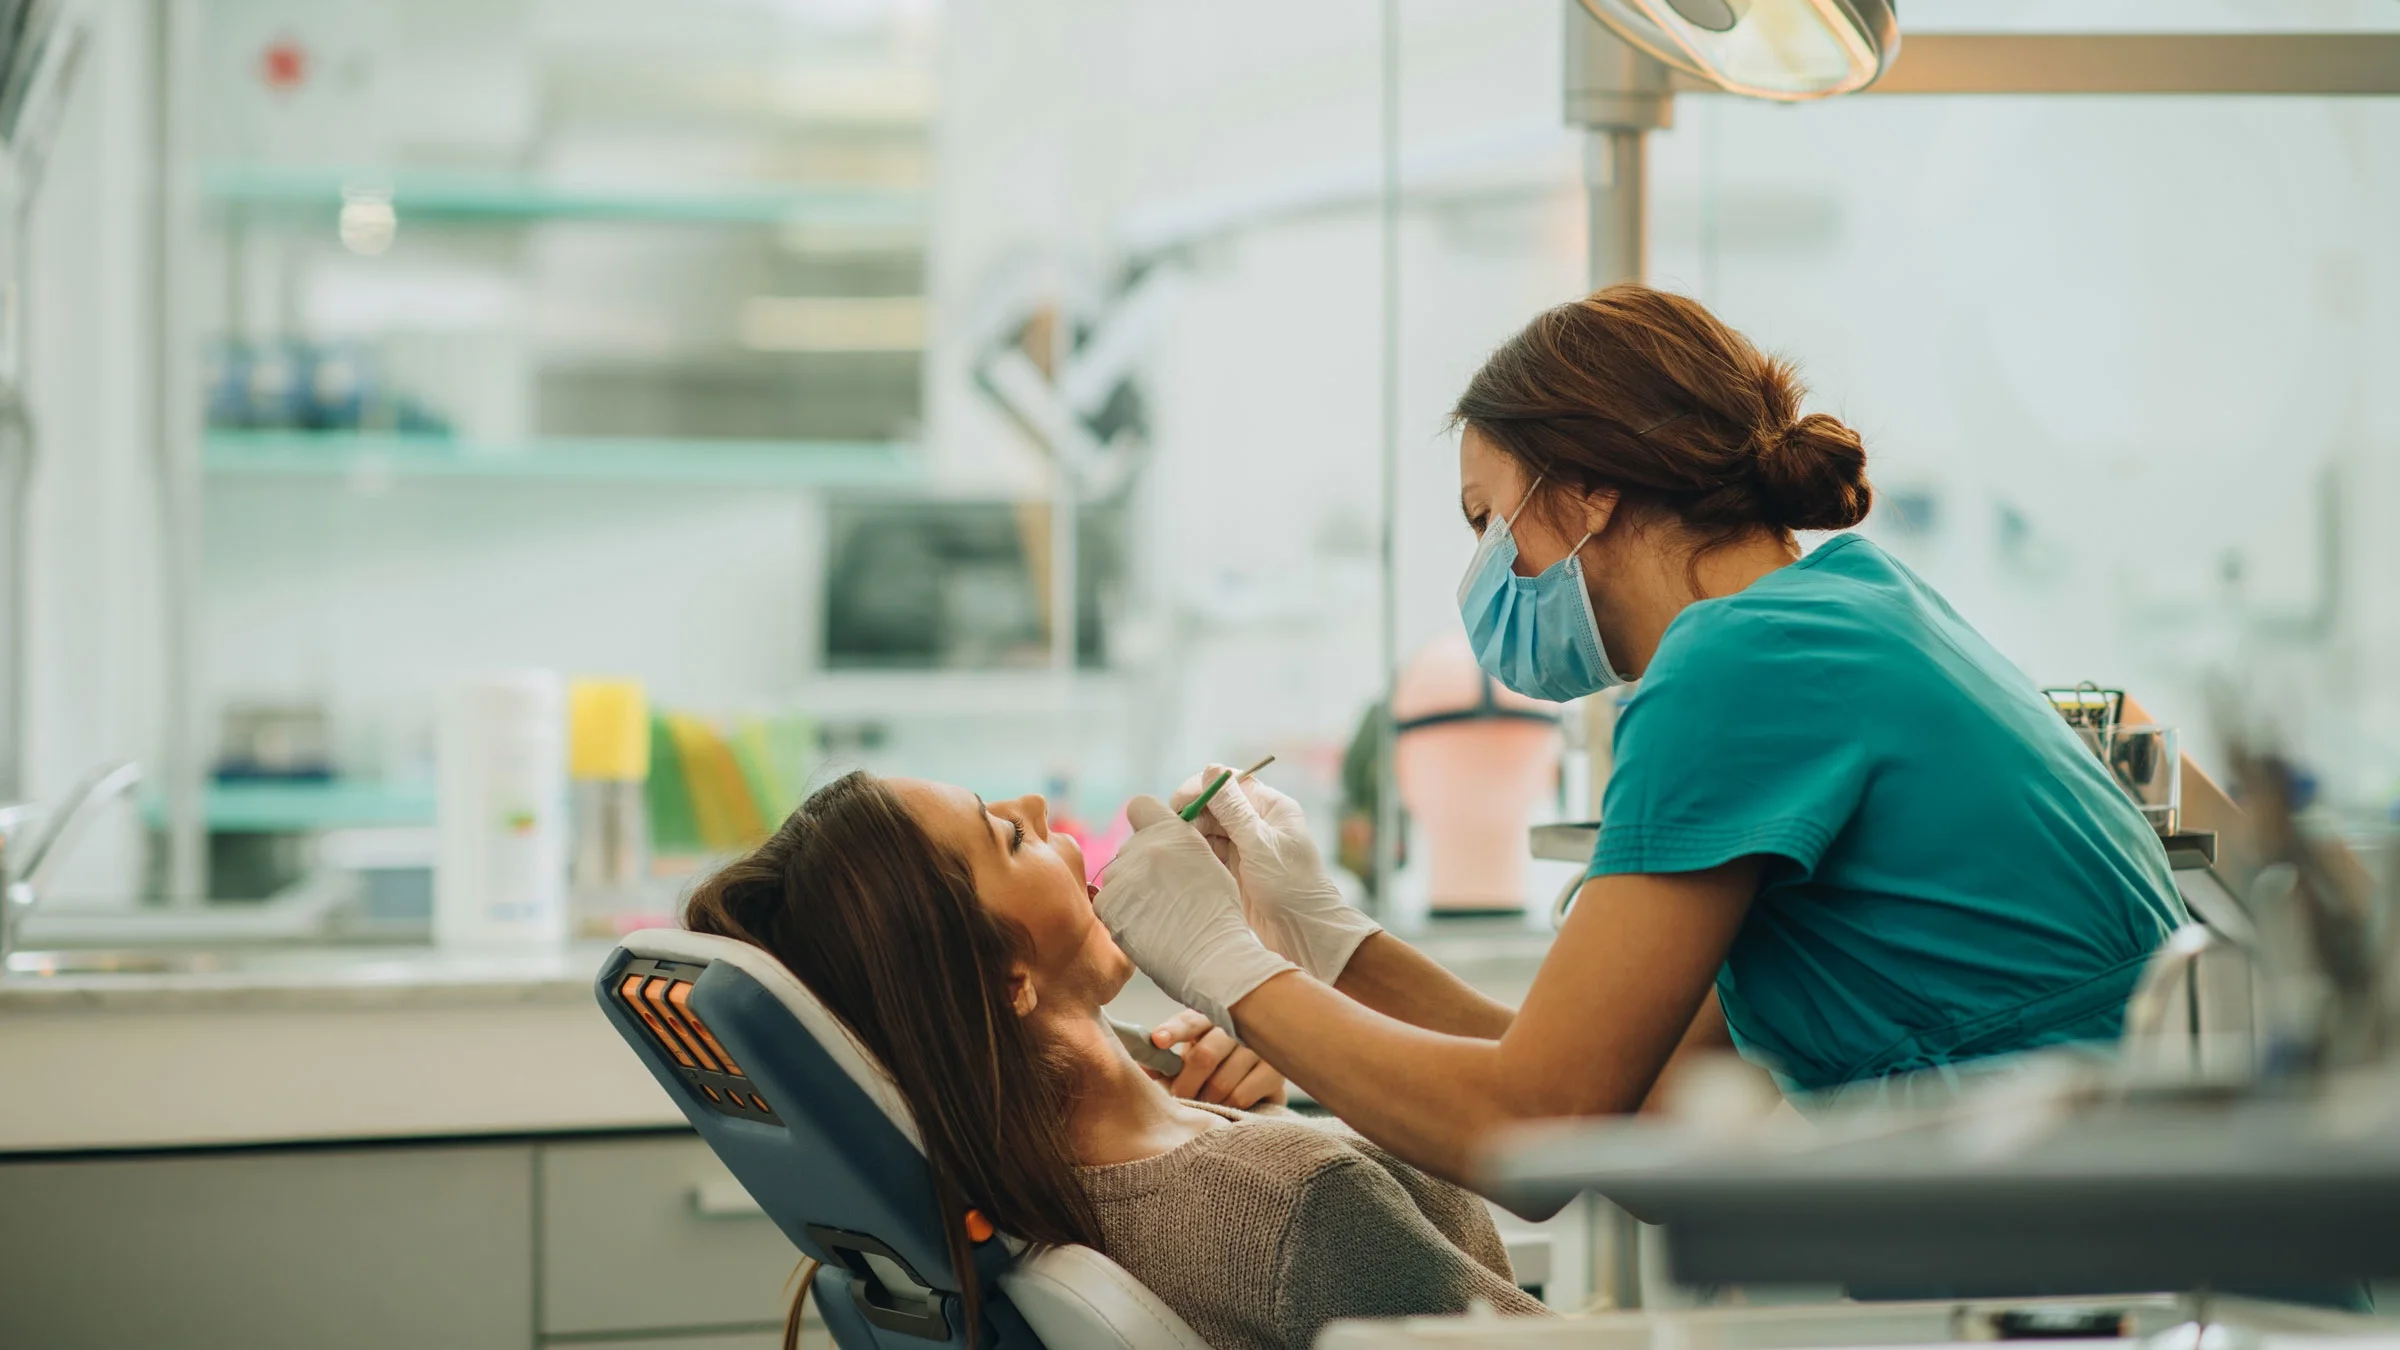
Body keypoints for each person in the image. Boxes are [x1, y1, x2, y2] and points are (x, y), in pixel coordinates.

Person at [1095, 283, 2189, 1189]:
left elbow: (1536, 1126)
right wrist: (1330, 943)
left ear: (1585, 492)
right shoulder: (1849, 608)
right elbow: (1637, 1099)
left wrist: (1227, 967)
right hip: (2139, 1227)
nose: (1482, 574)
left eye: (1487, 521)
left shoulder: (1740, 665)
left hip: (2094, 1260)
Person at [683, 770, 1549, 1350]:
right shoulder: (1294, 1201)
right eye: (1008, 839)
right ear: (1006, 977)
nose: (1034, 807)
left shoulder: (1036, 1186)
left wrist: (1271, 1095)